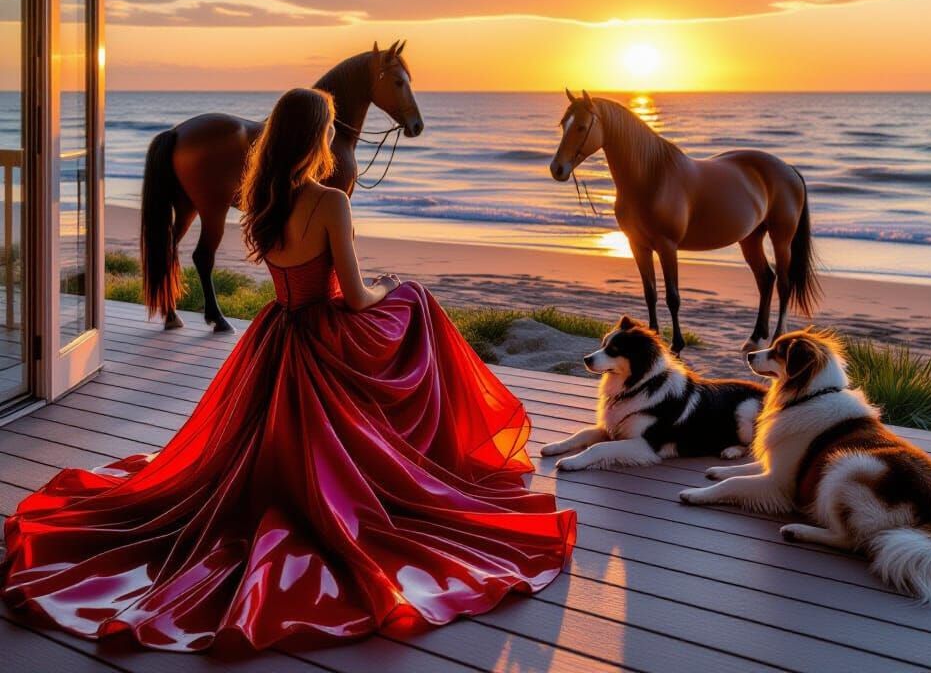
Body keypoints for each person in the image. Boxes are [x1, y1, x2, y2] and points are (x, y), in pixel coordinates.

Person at [2, 88, 575, 652]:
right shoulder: (330, 201)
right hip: (325, 331)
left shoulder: (261, 196)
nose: (331, 137)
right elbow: (355, 297)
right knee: (417, 302)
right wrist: (390, 286)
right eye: (327, 129)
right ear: (316, 137)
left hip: (277, 331)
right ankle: (432, 447)